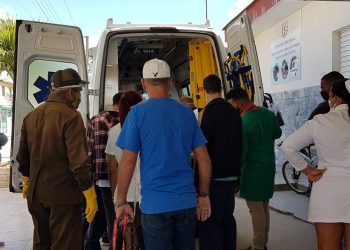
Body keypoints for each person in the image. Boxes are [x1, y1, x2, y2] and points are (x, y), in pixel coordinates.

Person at [115, 58, 212, 250]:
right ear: (170, 82)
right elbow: (204, 158)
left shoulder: (136, 114)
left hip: (154, 205)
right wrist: (203, 195)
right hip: (185, 202)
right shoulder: (186, 113)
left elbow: (128, 161)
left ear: (143, 83)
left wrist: (121, 201)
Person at [16, 68, 98, 249]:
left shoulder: (31, 116)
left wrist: (28, 181)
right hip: (63, 197)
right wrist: (89, 192)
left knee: (41, 243)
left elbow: (22, 157)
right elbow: (79, 163)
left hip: (36, 196)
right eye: (79, 92)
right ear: (70, 92)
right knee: (65, 244)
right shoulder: (71, 117)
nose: (79, 97)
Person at [281, 78, 350, 250]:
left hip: (328, 193)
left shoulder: (320, 121)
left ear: (336, 98)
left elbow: (288, 147)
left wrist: (309, 171)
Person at [226, 88, 282, 250]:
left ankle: (258, 246)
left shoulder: (242, 121)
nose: (231, 109)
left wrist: (236, 172)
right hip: (268, 166)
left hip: (251, 170)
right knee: (263, 207)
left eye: (232, 105)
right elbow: (277, 133)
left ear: (239, 102)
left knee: (255, 210)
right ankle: (262, 243)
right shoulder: (267, 113)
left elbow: (242, 152)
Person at [198, 74, 242, 250]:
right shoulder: (234, 112)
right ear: (221, 88)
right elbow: (240, 144)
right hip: (231, 175)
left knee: (211, 220)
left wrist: (200, 184)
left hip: (213, 177)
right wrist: (238, 174)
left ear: (204, 90)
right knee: (227, 217)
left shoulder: (206, 113)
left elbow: (203, 150)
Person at [105, 90, 143, 249]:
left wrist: (116, 197)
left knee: (129, 240)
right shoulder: (146, 128)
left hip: (124, 192)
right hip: (147, 192)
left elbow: (112, 169)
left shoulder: (114, 131)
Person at [85, 92, 123, 249]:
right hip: (118, 176)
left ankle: (90, 244)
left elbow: (88, 150)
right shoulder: (123, 121)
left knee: (100, 215)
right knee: (116, 218)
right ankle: (115, 244)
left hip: (99, 176)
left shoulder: (96, 119)